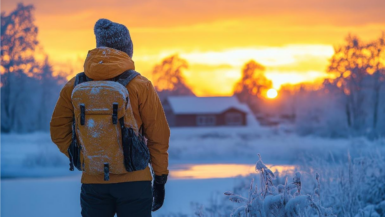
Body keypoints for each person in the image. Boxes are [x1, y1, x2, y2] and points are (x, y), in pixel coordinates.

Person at [50, 18, 170, 217]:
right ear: (126, 49)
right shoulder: (140, 85)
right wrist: (160, 178)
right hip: (135, 182)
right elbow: (159, 136)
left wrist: (85, 156)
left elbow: (57, 129)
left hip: (93, 182)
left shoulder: (74, 85)